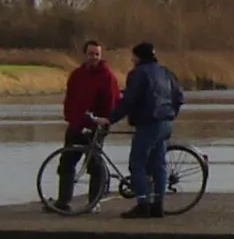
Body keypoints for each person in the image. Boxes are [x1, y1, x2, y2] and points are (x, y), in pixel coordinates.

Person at [106, 40, 184, 218]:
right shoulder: (166, 72)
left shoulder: (138, 74)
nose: (132, 59)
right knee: (158, 165)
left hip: (149, 123)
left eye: (133, 56)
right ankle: (158, 205)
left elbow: (129, 101)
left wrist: (110, 119)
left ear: (139, 56)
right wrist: (171, 113)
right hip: (166, 122)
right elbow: (179, 97)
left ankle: (142, 204)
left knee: (137, 163)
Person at [55, 40, 120, 211]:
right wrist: (70, 117)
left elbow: (113, 102)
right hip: (76, 125)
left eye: (97, 54)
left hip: (96, 127)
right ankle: (63, 201)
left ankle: (94, 201)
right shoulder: (77, 75)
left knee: (94, 164)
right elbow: (69, 99)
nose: (94, 57)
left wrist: (105, 120)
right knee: (66, 162)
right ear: (85, 54)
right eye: (91, 54)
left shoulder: (108, 76)